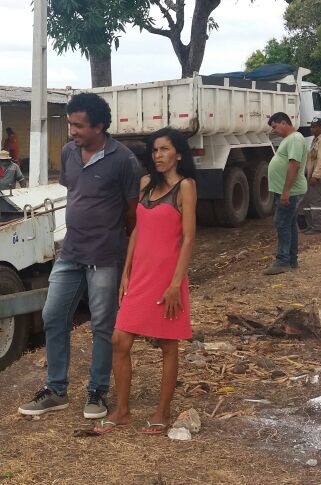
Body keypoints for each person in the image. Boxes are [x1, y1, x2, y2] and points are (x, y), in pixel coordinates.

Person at [19, 92, 142, 420]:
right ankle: (56, 390)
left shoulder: (124, 160)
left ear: (99, 126)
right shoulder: (69, 153)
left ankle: (97, 392)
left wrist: (129, 258)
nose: (72, 131)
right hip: (70, 252)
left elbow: (133, 213)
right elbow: (76, 193)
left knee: (102, 324)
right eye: (70, 124)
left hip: (105, 256)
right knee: (53, 315)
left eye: (78, 125)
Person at [94, 128, 197, 435]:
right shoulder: (145, 184)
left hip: (168, 277)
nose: (158, 155)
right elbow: (138, 230)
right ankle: (123, 411)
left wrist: (176, 284)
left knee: (167, 344)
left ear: (178, 153)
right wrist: (126, 272)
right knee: (119, 340)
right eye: (154, 150)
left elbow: (188, 238)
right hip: (140, 275)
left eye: (165, 149)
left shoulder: (185, 186)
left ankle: (162, 413)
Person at [265, 112, 308, 275]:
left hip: (291, 191)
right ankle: (291, 260)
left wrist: (286, 192)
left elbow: (294, 165)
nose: (274, 130)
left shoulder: (295, 139)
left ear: (284, 123)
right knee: (289, 224)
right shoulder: (289, 139)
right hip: (288, 191)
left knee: (282, 223)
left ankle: (283, 261)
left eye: (275, 126)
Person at [301, 118, 321, 234]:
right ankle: (310, 226)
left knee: (316, 203)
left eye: (314, 127)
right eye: (311, 126)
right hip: (311, 176)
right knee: (308, 202)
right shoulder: (315, 140)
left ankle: (317, 227)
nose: (312, 129)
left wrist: (315, 176)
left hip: (318, 177)